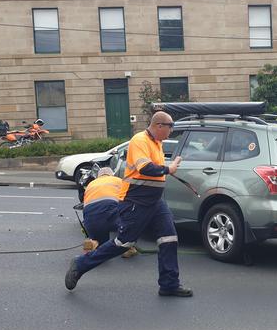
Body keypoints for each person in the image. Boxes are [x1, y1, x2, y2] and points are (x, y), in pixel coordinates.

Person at [66, 111, 192, 297]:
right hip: (136, 201)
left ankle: (169, 284)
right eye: (170, 127)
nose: (171, 131)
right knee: (123, 243)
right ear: (159, 126)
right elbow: (145, 167)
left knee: (169, 238)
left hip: (155, 202)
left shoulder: (157, 143)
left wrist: (168, 169)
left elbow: (153, 170)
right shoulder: (139, 140)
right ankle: (80, 264)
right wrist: (168, 168)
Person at [81, 166, 138, 258]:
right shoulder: (117, 180)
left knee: (101, 243)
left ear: (98, 176)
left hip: (90, 217)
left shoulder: (91, 184)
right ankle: (128, 248)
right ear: (111, 174)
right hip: (110, 210)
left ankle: (93, 241)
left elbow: (84, 207)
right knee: (129, 223)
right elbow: (129, 199)